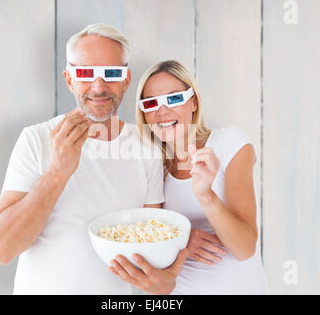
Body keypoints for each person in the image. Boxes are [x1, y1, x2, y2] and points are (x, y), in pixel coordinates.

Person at [0, 24, 186, 294]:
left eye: (111, 73)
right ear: (69, 80)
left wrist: (164, 281)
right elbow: (4, 248)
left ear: (126, 80)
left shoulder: (146, 149)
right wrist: (59, 171)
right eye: (85, 73)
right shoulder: (35, 139)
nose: (99, 86)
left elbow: (152, 247)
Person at [109, 60, 269, 294]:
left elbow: (244, 249)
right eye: (151, 103)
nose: (162, 111)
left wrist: (207, 196)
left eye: (173, 99)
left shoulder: (229, 144)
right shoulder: (151, 164)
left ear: (193, 102)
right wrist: (182, 237)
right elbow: (145, 241)